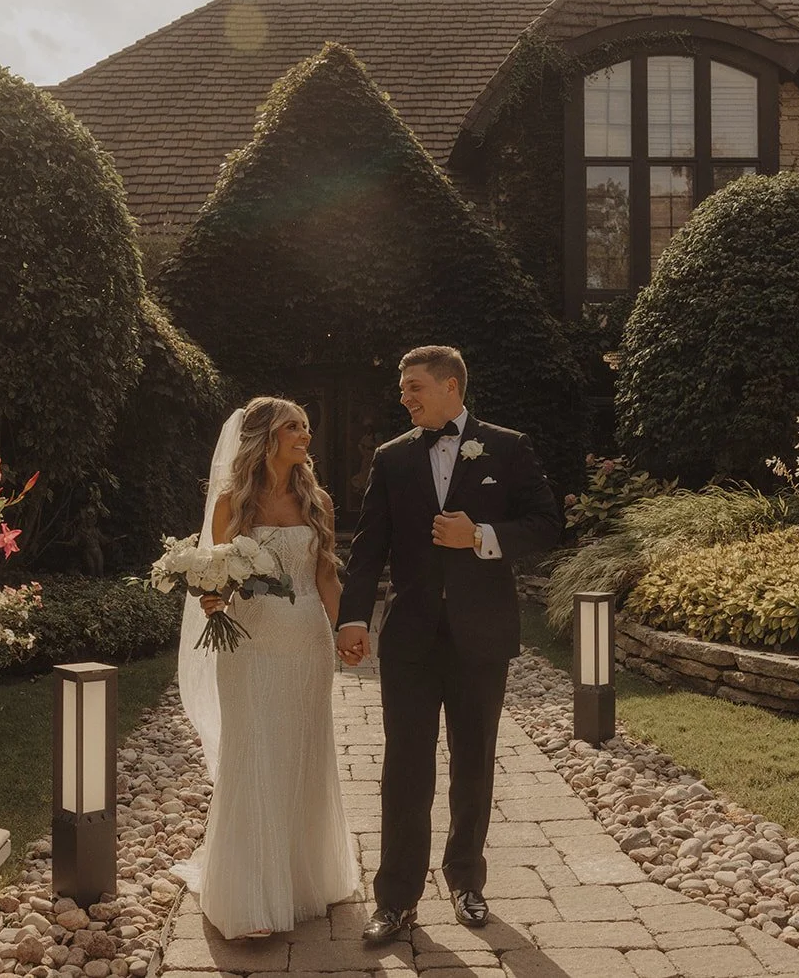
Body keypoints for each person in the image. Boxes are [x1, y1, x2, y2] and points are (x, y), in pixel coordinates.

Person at [336, 345, 561, 943]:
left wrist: (479, 536)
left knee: (473, 763)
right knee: (404, 768)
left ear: (450, 386)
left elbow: (546, 522)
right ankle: (397, 900)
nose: (404, 397)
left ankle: (466, 881)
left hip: (481, 637)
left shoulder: (507, 447)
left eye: (414, 387)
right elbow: (368, 546)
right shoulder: (391, 459)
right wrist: (351, 618)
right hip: (409, 639)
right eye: (403, 389)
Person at [175, 397, 359, 939]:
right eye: (293, 427)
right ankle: (249, 899)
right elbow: (217, 574)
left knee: (303, 751)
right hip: (249, 645)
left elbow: (325, 575)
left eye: (306, 426)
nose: (305, 435)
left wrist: (347, 629)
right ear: (264, 438)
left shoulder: (317, 498)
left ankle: (303, 880)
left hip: (306, 641)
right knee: (252, 752)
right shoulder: (232, 502)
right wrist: (210, 598)